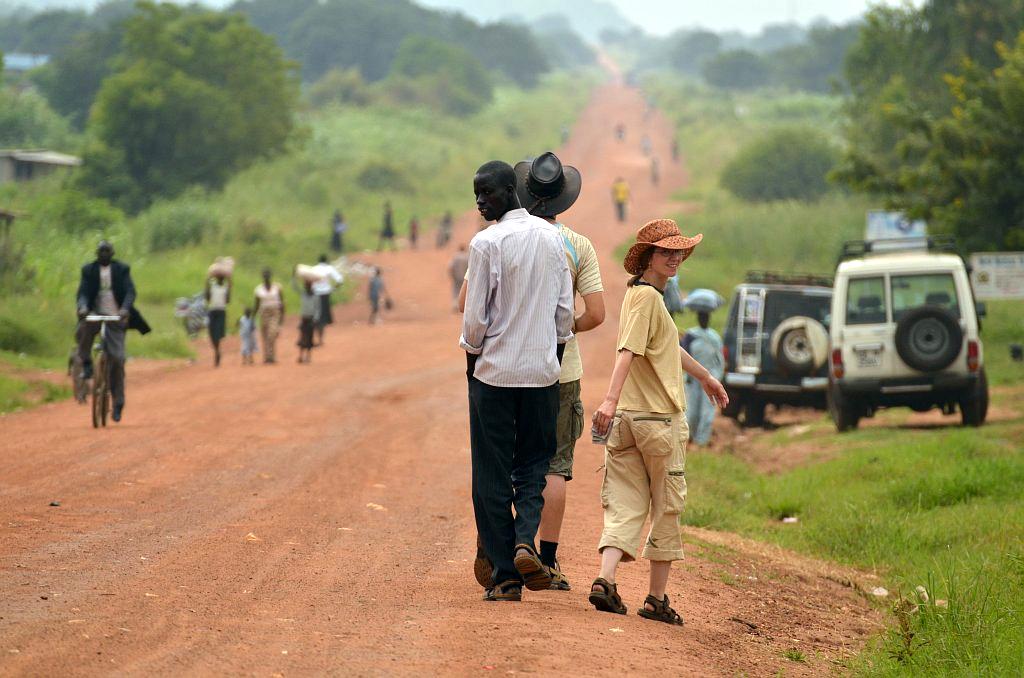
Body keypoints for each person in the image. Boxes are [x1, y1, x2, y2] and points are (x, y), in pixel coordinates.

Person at [589, 219, 728, 625]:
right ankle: (656, 598)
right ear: (648, 257)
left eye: (678, 252)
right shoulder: (649, 300)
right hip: (656, 421)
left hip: (630, 423)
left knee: (626, 502)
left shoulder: (640, 296)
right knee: (667, 507)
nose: (675, 258)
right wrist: (609, 400)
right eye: (666, 252)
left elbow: (663, 349)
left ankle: (606, 579)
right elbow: (629, 350)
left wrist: (704, 376)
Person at [460, 159, 574, 603]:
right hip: (542, 374)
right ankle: (527, 538)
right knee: (532, 465)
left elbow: (475, 320)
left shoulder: (486, 243)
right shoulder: (553, 240)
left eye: (487, 192)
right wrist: (553, 354)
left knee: (490, 473)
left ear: (511, 191)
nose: (480, 201)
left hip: (493, 375)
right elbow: (564, 313)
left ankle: (506, 574)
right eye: (477, 193)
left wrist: (473, 358)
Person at [512, 152, 605, 591]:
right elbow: (597, 313)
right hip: (562, 370)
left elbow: (467, 304)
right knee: (556, 465)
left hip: (510, 368)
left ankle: (509, 547)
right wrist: (563, 332)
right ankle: (546, 560)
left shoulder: (502, 237)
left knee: (512, 460)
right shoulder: (577, 244)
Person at [75, 240, 151, 423]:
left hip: (117, 316)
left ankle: (118, 403)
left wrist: (125, 310)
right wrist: (83, 307)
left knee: (117, 358)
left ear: (112, 253)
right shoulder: (89, 270)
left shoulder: (121, 270)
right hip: (95, 314)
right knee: (83, 330)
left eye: (107, 251)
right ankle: (87, 364)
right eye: (101, 251)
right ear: (96, 253)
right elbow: (83, 293)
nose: (103, 255)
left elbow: (130, 292)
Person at [681, 309, 724, 447]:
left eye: (705, 317)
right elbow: (683, 355)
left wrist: (717, 376)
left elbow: (720, 359)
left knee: (707, 411)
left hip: (710, 377)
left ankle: (702, 441)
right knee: (692, 410)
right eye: (701, 316)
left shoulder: (715, 337)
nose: (703, 319)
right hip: (693, 379)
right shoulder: (691, 335)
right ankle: (690, 437)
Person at [253, 268, 285, 364]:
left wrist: (282, 316)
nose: (266, 277)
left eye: (267, 276)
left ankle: (271, 355)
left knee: (272, 333)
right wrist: (252, 317)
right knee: (265, 335)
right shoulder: (258, 289)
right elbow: (256, 304)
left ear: (270, 276)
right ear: (263, 277)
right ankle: (267, 357)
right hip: (264, 313)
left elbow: (282, 302)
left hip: (275, 312)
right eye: (264, 276)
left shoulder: (277, 287)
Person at [312, 254, 343, 346]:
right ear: (326, 261)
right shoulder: (329, 268)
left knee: (315, 317)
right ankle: (321, 338)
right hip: (325, 295)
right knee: (323, 318)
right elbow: (340, 280)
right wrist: (333, 289)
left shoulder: (313, 269)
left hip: (315, 294)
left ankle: (315, 336)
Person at [205, 273, 231, 367]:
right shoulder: (212, 287)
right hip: (212, 311)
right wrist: (206, 283)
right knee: (211, 333)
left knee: (218, 333)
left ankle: (217, 352)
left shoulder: (225, 288)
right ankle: (217, 350)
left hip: (221, 312)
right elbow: (207, 298)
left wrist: (230, 285)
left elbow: (228, 300)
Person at [293, 271, 320, 364]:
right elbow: (295, 287)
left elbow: (317, 309)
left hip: (311, 319)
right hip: (304, 318)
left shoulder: (315, 296)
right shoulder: (303, 294)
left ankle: (308, 356)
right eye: (306, 285)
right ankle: (300, 356)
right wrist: (294, 276)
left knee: (310, 338)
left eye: (308, 285)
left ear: (311, 286)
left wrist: (315, 319)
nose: (307, 287)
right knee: (302, 338)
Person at [448, 245, 469, 312]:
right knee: (464, 290)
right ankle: (463, 304)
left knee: (456, 290)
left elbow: (451, 266)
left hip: (456, 276)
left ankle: (455, 304)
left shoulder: (456, 257)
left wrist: (451, 275)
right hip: (465, 277)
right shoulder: (467, 257)